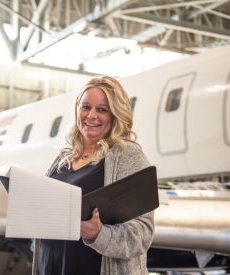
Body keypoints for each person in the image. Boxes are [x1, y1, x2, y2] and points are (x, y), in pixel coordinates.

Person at [32, 76, 154, 275]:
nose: (91, 115)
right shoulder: (64, 158)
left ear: (115, 115)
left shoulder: (126, 155)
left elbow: (141, 234)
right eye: (86, 107)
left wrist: (99, 234)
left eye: (102, 109)